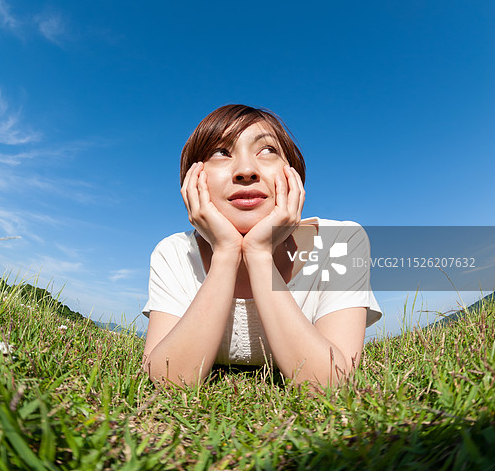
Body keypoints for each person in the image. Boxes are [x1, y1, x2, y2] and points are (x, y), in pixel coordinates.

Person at [142, 104, 382, 388]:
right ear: (193, 180)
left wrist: (258, 254)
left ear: (293, 174)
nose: (245, 171)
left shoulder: (340, 241)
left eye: (267, 150)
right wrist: (226, 253)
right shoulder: (174, 253)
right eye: (221, 152)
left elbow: (332, 381)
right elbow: (168, 381)